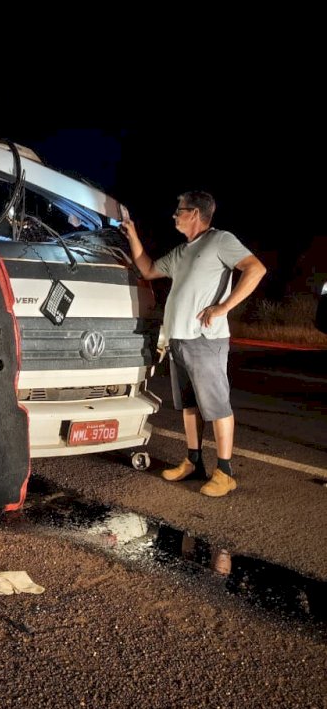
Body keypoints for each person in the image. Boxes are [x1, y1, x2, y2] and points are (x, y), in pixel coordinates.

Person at [121, 191, 266, 498]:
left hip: (205, 338)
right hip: (179, 339)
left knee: (216, 406)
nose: (175, 215)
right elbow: (147, 269)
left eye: (180, 210)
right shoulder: (182, 252)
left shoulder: (220, 240)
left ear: (197, 214)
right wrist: (132, 234)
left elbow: (256, 269)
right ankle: (193, 462)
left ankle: (225, 472)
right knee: (189, 405)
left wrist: (224, 307)